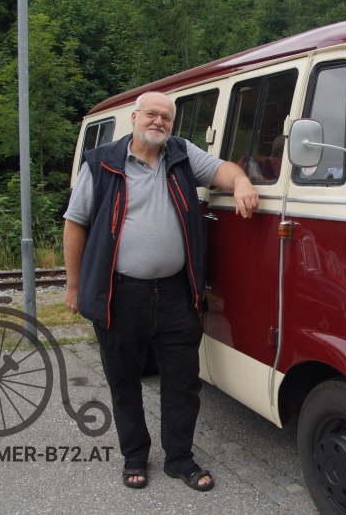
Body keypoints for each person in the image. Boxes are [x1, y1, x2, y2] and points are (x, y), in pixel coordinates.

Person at [63, 91, 259, 491]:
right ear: (134, 118)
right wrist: (74, 285)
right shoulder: (101, 163)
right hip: (119, 294)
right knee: (124, 382)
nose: (159, 122)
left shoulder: (181, 154)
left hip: (175, 294)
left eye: (166, 117)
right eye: (151, 114)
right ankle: (135, 455)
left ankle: (180, 459)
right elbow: (75, 223)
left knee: (182, 383)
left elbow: (222, 169)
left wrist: (241, 181)